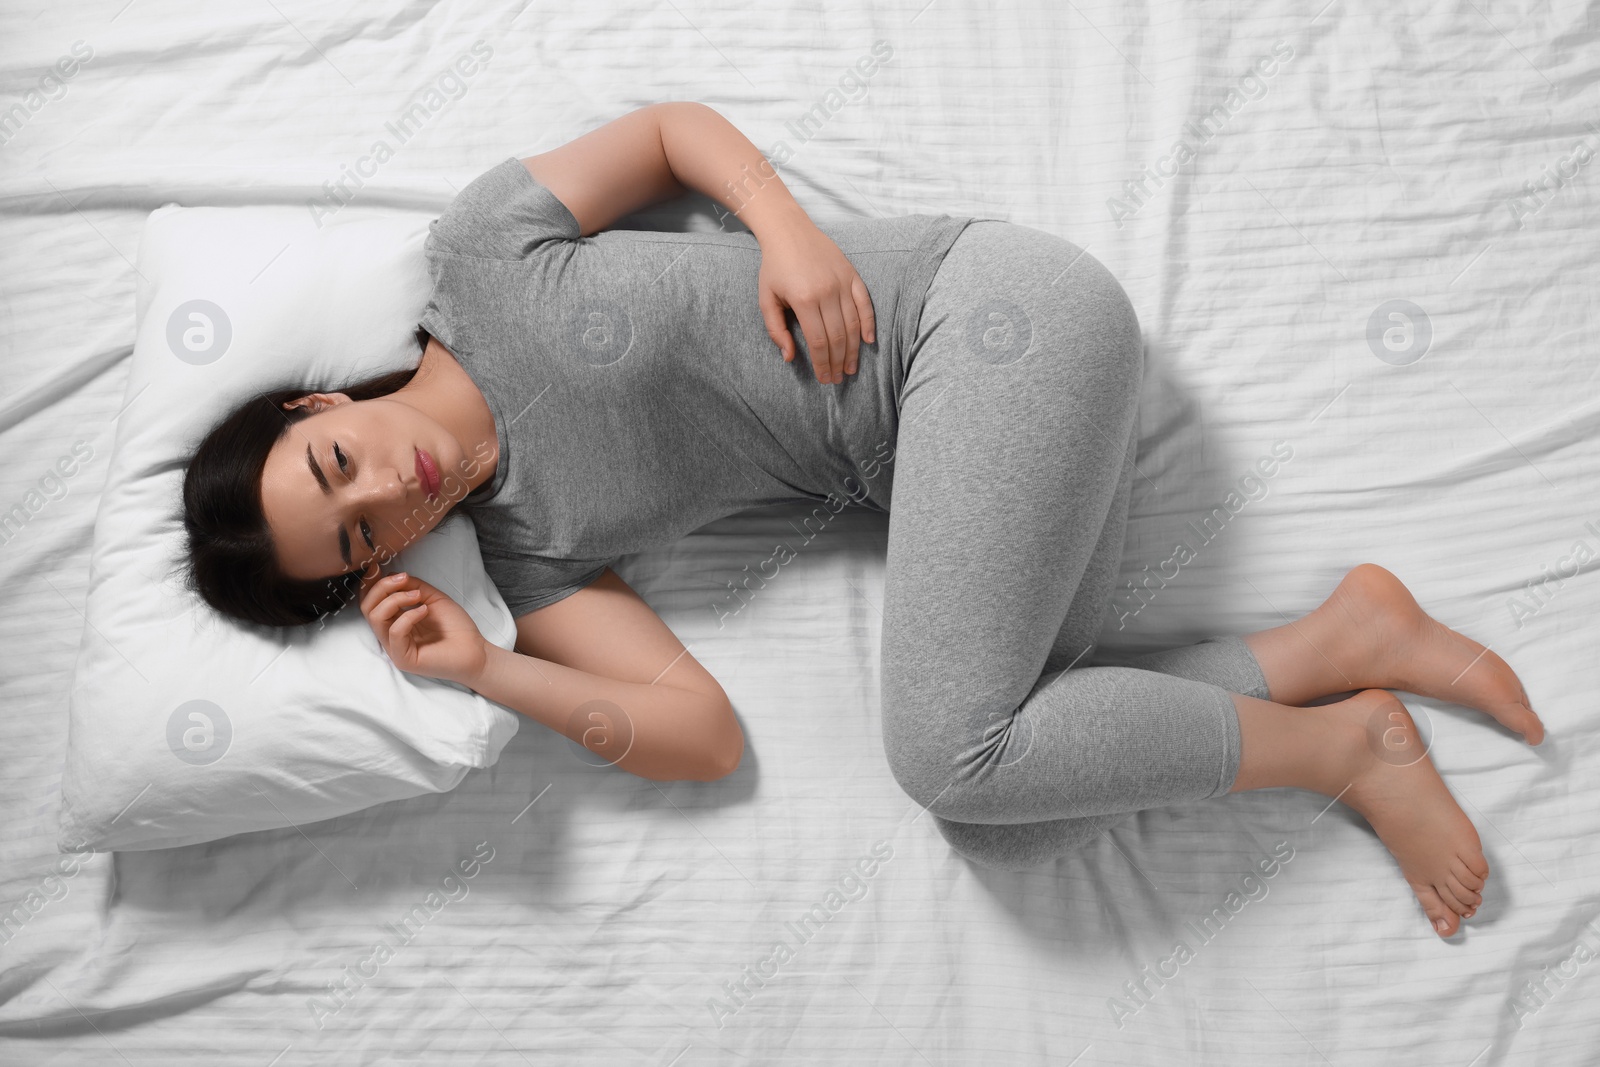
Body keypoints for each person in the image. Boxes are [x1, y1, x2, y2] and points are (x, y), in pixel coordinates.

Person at [180, 101, 1545, 939]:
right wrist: (485, 668)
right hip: (968, 453)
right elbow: (701, 739)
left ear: (313, 413)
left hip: (986, 319)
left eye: (336, 469)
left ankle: (1340, 748)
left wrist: (784, 229)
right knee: (1020, 808)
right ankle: (1346, 639)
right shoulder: (535, 558)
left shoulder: (477, 259)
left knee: (949, 760)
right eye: (357, 540)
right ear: (379, 575)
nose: (383, 495)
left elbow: (664, 129)